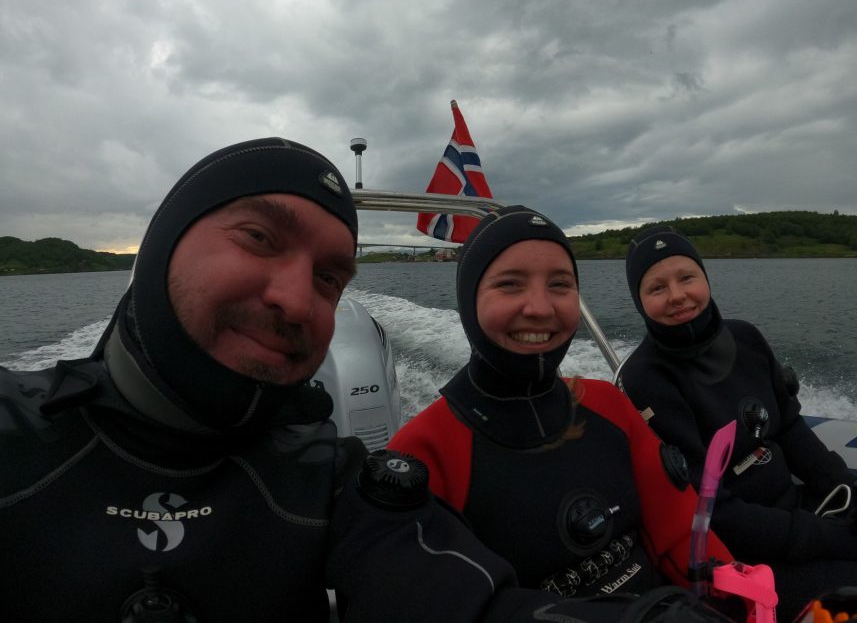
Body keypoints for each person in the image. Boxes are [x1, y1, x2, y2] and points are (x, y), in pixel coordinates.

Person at [0, 138, 726, 623]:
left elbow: (464, 602)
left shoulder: (336, 485)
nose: (294, 297)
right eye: (258, 238)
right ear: (160, 246)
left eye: (329, 277)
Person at [388, 206, 736, 603]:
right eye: (510, 284)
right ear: (469, 300)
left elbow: (683, 537)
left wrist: (739, 601)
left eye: (559, 284)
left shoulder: (607, 404)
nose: (540, 307)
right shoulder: (423, 451)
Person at [619, 224, 857, 622]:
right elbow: (712, 511)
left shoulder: (745, 337)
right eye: (657, 287)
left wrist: (847, 490)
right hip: (746, 557)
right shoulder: (647, 379)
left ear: (705, 277)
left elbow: (789, 427)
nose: (678, 295)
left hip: (802, 511)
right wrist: (833, 539)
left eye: (686, 277)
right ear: (639, 300)